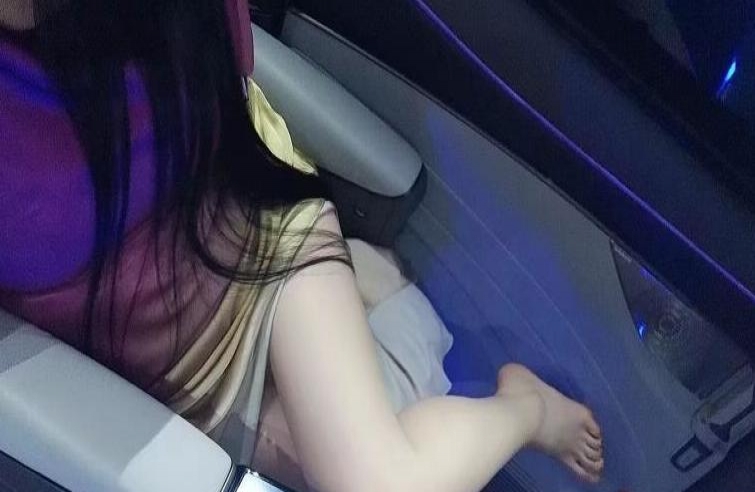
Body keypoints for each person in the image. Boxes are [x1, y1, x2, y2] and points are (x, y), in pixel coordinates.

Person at [0, 1, 604, 491]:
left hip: (257, 244)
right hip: (155, 362)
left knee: (377, 481)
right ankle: (378, 291)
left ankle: (526, 407)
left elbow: (233, 102)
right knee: (396, 419)